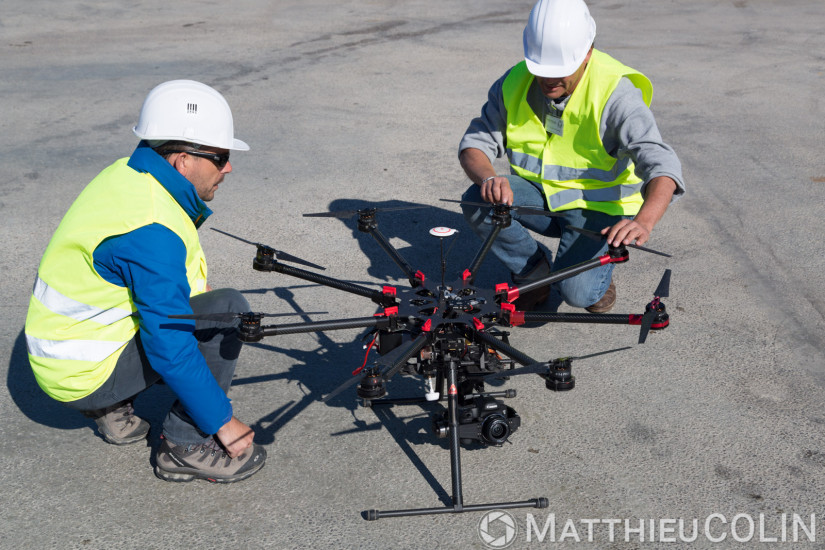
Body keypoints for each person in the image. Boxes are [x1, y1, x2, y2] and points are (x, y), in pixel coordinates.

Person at [24, 80, 266, 483]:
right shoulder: (151, 230)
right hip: (82, 373)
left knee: (177, 309)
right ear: (182, 161)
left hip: (61, 355)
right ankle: (184, 447)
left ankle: (109, 407)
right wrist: (222, 422)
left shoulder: (128, 173)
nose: (228, 167)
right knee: (227, 312)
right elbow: (169, 343)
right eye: (220, 156)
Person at [459, 0, 685, 313]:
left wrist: (643, 222)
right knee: (477, 200)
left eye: (560, 70)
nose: (549, 80)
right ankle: (532, 272)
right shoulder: (515, 81)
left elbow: (663, 166)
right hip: (540, 198)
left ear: (587, 54)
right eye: (542, 69)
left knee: (579, 294)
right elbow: (475, 143)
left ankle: (595, 277)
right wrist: (488, 177)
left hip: (598, 210)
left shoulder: (615, 94)